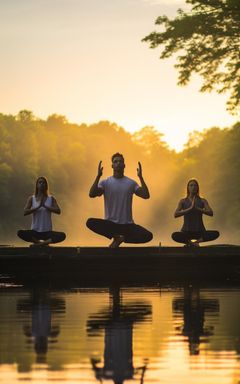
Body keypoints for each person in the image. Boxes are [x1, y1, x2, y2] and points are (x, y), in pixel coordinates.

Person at [86, 153, 153, 248]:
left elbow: (146, 195)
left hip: (127, 225)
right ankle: (116, 237)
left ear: (124, 165)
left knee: (148, 236)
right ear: (112, 166)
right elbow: (92, 194)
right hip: (111, 225)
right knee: (90, 222)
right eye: (115, 161)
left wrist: (140, 177)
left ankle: (121, 238)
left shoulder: (131, 183)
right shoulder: (105, 182)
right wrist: (98, 176)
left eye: (120, 161)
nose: (118, 163)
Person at [17, 176, 66, 246]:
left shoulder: (51, 198)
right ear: (37, 185)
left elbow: (58, 211)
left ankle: (39, 244)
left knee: (62, 235)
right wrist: (37, 207)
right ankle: (40, 243)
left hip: (47, 232)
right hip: (35, 231)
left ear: (46, 185)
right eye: (40, 182)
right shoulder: (32, 198)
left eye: (43, 183)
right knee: (20, 233)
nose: (42, 184)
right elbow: (25, 212)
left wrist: (45, 206)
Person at [172, 178, 219, 246]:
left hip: (199, 231)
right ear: (188, 188)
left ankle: (196, 242)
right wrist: (190, 209)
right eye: (191, 185)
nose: (193, 187)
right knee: (174, 235)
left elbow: (210, 213)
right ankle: (190, 243)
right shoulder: (183, 201)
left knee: (215, 233)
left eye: (195, 185)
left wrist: (198, 209)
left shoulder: (203, 201)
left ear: (197, 188)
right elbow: (175, 214)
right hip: (186, 231)